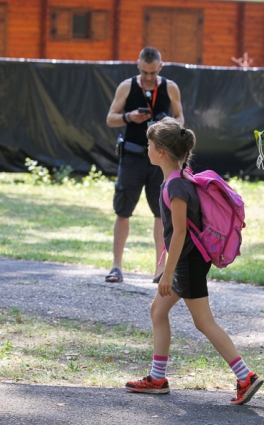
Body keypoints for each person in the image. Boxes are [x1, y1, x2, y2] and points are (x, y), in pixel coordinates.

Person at [124, 117, 264, 405]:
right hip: (189, 260)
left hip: (188, 263)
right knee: (158, 311)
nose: (147, 148)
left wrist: (167, 272)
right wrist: (165, 262)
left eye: (150, 144)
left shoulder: (175, 187)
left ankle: (245, 376)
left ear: (160, 151)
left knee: (203, 321)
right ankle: (157, 377)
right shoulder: (179, 179)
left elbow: (180, 233)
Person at [105, 47, 184, 284]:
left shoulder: (169, 87)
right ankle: (116, 266)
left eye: (152, 72)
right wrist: (129, 117)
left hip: (159, 160)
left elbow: (180, 119)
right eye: (144, 72)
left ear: (160, 67)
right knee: (123, 211)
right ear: (138, 66)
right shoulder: (127, 86)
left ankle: (160, 269)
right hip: (132, 157)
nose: (148, 77)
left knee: (161, 214)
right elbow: (110, 118)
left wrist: (166, 122)